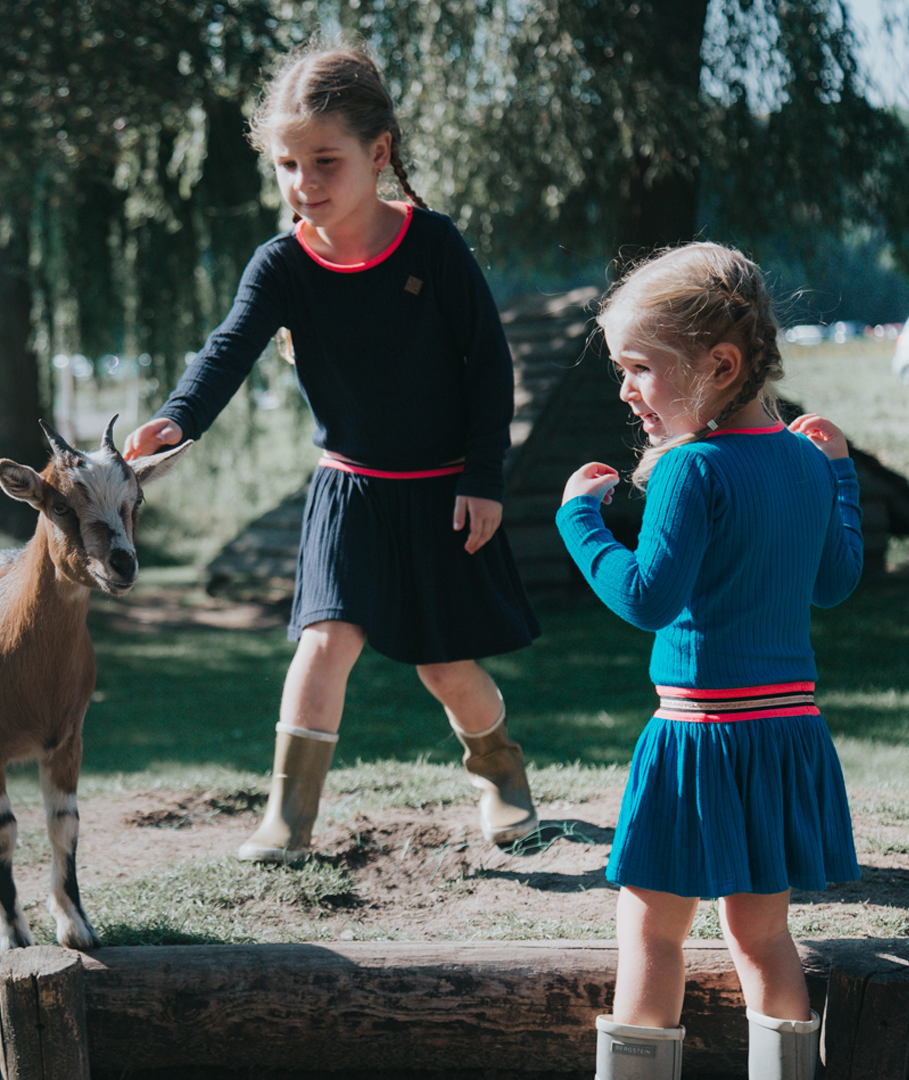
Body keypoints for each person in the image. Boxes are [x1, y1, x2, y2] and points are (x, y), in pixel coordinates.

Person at [124, 40, 542, 862]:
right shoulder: (280, 264)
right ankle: (289, 821)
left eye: (325, 160)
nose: (304, 183)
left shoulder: (434, 246)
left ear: (378, 153)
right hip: (348, 493)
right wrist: (178, 418)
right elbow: (228, 348)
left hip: (443, 491)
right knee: (325, 642)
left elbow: (490, 366)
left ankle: (502, 777)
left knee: (445, 666)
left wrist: (483, 476)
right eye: (287, 164)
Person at [555, 242, 863, 1080]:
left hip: (701, 737)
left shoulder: (691, 469)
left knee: (652, 928)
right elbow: (836, 581)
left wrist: (581, 523)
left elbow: (649, 599)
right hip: (786, 733)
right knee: (763, 936)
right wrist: (841, 480)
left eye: (640, 368)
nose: (625, 389)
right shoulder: (805, 460)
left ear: (719, 365)